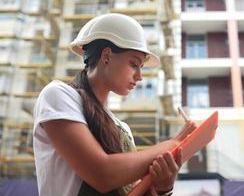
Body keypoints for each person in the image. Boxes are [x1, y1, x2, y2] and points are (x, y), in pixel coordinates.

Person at [32, 13, 197, 196]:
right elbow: (101, 174)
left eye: (141, 67)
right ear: (107, 56)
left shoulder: (122, 128)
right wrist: (175, 143)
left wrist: (163, 188)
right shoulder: (58, 96)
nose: (139, 76)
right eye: (134, 64)